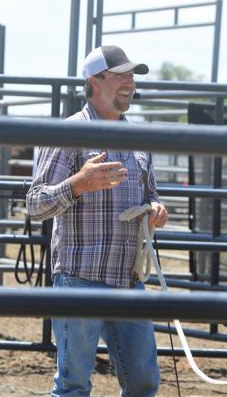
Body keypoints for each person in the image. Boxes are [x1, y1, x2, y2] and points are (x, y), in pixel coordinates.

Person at [26, 45, 168, 397]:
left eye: (132, 76)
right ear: (95, 80)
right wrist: (79, 184)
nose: (130, 83)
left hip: (128, 280)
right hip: (80, 277)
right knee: (73, 385)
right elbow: (35, 204)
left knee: (143, 382)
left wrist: (156, 210)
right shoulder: (68, 134)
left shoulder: (139, 137)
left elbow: (151, 193)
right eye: (122, 75)